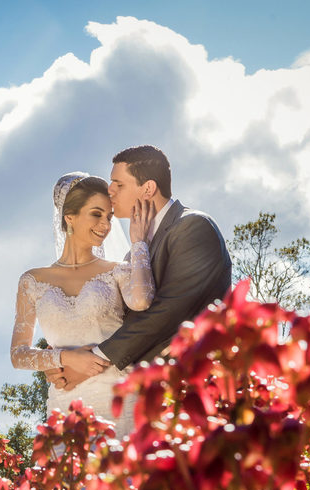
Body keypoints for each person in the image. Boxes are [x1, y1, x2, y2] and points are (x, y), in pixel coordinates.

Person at [48, 145, 232, 400]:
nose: (109, 190)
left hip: (193, 390)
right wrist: (65, 359)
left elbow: (168, 311)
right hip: (149, 392)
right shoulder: (135, 251)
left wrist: (94, 361)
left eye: (118, 184)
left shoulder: (193, 227)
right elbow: (114, 320)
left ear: (148, 189)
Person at [10, 172, 156, 436]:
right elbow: (18, 355)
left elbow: (143, 302)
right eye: (96, 214)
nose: (106, 225)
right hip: (64, 405)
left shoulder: (118, 271)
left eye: (109, 217)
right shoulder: (32, 281)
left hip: (117, 399)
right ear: (69, 217)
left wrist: (139, 244)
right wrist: (65, 358)